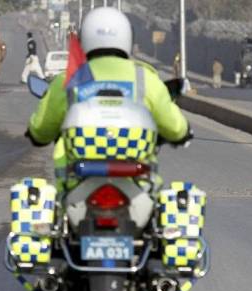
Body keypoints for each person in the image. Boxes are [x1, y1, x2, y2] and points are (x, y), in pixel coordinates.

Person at [27, 7, 190, 193]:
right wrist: (181, 133)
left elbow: (41, 129)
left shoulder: (68, 80)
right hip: (139, 184)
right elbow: (176, 128)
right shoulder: (145, 78)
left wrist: (38, 133)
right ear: (127, 38)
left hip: (75, 184)